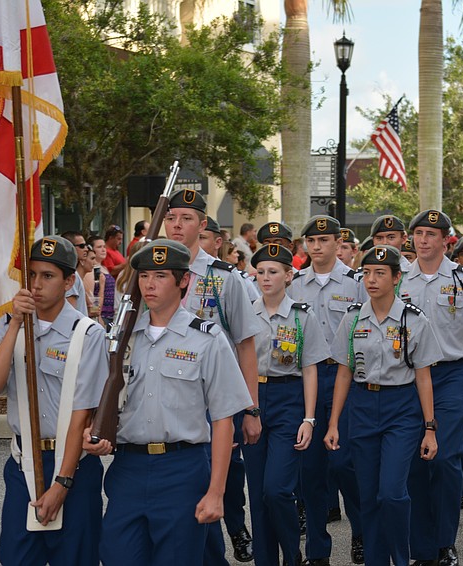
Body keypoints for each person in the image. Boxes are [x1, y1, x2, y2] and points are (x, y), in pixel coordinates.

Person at [82, 239, 253, 564]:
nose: (149, 284)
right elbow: (102, 403)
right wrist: (95, 432)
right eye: (144, 275)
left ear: (183, 280)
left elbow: (222, 421)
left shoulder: (207, 338)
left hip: (182, 470)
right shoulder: (123, 338)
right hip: (128, 469)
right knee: (117, 555)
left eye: (160, 276)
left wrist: (216, 492)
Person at [0, 236, 109, 566]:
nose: (37, 285)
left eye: (48, 276)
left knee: (74, 556)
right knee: (16, 556)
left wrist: (62, 483)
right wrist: (14, 322)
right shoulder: (10, 323)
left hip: (72, 464)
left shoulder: (88, 333)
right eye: (33, 275)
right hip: (23, 460)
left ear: (69, 281)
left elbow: (82, 414)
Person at [164, 189, 263, 564]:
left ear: (202, 225)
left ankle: (225, 541)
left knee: (211, 487)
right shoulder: (148, 273)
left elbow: (246, 346)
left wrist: (251, 410)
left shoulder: (224, 279)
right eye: (172, 217)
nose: (177, 224)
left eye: (186, 218)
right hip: (165, 398)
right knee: (177, 498)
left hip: (211, 404)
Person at [325, 244, 440, 566]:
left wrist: (429, 428)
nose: (371, 280)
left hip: (401, 407)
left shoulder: (413, 321)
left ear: (396, 278)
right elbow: (344, 373)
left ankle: (402, 558)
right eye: (366, 273)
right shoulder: (352, 318)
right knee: (369, 495)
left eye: (379, 273)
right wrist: (334, 423)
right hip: (362, 406)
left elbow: (423, 377)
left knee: (392, 492)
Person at [402, 210, 463, 566]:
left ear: (447, 240)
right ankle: (421, 547)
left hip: (452, 377)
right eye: (418, 233)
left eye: (431, 234)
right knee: (413, 462)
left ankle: (445, 542)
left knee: (445, 458)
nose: (423, 240)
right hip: (407, 379)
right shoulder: (400, 281)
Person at [288, 215, 365, 566]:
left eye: (324, 241)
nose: (317, 247)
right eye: (311, 241)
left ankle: (361, 530)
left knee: (344, 462)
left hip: (343, 376)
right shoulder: (295, 284)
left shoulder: (355, 282)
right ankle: (318, 548)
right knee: (312, 468)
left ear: (338, 242)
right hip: (306, 378)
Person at [245, 243, 326, 566]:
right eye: (261, 272)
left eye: (273, 272)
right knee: (258, 495)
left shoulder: (302, 316)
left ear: (288, 276)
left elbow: (309, 369)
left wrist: (309, 418)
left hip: (288, 399)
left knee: (277, 489)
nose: (266, 277)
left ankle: (292, 554)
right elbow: (237, 363)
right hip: (252, 401)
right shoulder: (246, 314)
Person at [60, 231, 89, 317]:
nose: (86, 249)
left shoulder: (73, 271)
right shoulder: (70, 274)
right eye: (81, 246)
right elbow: (70, 311)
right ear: (70, 247)